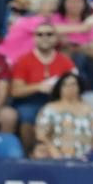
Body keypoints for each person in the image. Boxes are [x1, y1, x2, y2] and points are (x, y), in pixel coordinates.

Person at [10, 21, 77, 150]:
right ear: (34, 38)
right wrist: (39, 87)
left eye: (49, 34)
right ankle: (29, 154)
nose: (44, 37)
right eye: (40, 34)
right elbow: (15, 91)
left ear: (56, 38)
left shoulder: (65, 62)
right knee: (27, 115)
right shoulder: (23, 60)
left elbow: (75, 87)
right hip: (30, 101)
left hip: (58, 101)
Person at [35, 72, 93, 160]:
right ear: (59, 88)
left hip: (85, 160)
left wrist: (92, 155)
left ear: (79, 87)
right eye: (65, 85)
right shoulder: (50, 109)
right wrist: (52, 150)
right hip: (57, 158)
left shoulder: (90, 110)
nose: (70, 88)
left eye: (73, 84)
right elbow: (41, 135)